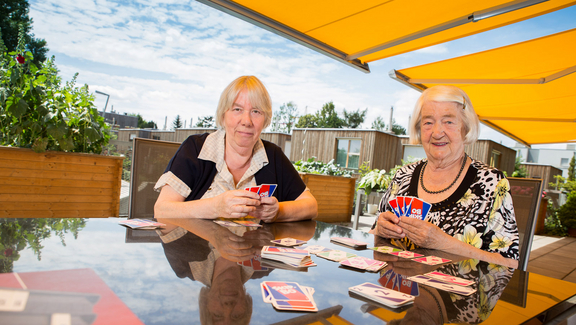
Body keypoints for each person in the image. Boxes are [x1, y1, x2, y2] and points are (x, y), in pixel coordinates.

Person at [371, 85, 519, 269]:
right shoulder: (403, 175)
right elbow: (376, 238)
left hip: (458, 296)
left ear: (465, 127)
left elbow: (510, 264)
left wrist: (442, 243)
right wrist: (381, 229)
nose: (437, 132)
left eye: (448, 121)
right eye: (428, 122)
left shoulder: (492, 182)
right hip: (399, 293)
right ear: (418, 129)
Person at [154, 76, 317, 223]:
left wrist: (278, 212)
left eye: (256, 111)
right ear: (223, 115)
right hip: (198, 253)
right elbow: (161, 210)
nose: (246, 121)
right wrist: (215, 207)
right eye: (237, 109)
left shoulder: (273, 155)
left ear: (265, 120)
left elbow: (311, 206)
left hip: (253, 252)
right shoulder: (196, 148)